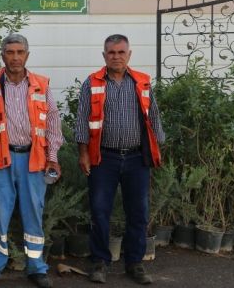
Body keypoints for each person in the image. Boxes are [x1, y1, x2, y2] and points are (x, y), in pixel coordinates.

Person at [0, 34, 63, 288]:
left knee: (33, 212)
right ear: (3, 56)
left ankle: (36, 268)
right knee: (0, 214)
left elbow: (54, 122)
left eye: (20, 52)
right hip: (0, 159)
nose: (15, 57)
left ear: (27, 55)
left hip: (34, 159)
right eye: (10, 52)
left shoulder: (41, 85)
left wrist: (53, 157)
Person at [74, 34, 165, 285]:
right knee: (100, 212)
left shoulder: (142, 82)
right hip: (103, 158)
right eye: (111, 53)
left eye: (121, 52)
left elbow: (154, 117)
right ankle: (100, 261)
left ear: (129, 55)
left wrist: (158, 149)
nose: (116, 56)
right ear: (104, 56)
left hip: (137, 158)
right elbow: (82, 120)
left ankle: (134, 263)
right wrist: (83, 154)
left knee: (138, 213)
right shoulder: (92, 83)